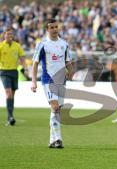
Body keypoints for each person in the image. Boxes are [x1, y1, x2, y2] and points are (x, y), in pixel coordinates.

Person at [31, 19, 73, 148]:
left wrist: (70, 72)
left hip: (61, 80)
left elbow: (68, 61)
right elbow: (35, 63)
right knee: (54, 107)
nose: (55, 29)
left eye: (56, 27)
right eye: (52, 27)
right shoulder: (43, 44)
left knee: (57, 110)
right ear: (47, 30)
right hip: (48, 79)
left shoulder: (64, 44)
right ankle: (58, 139)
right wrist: (34, 81)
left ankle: (51, 140)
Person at [0, 27, 26, 126]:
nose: (9, 36)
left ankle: (10, 116)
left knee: (12, 95)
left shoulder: (17, 46)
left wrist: (25, 68)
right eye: (7, 34)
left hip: (14, 72)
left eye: (11, 34)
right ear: (4, 35)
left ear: (13, 36)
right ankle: (10, 117)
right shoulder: (1, 46)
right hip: (4, 72)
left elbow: (22, 57)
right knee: (9, 93)